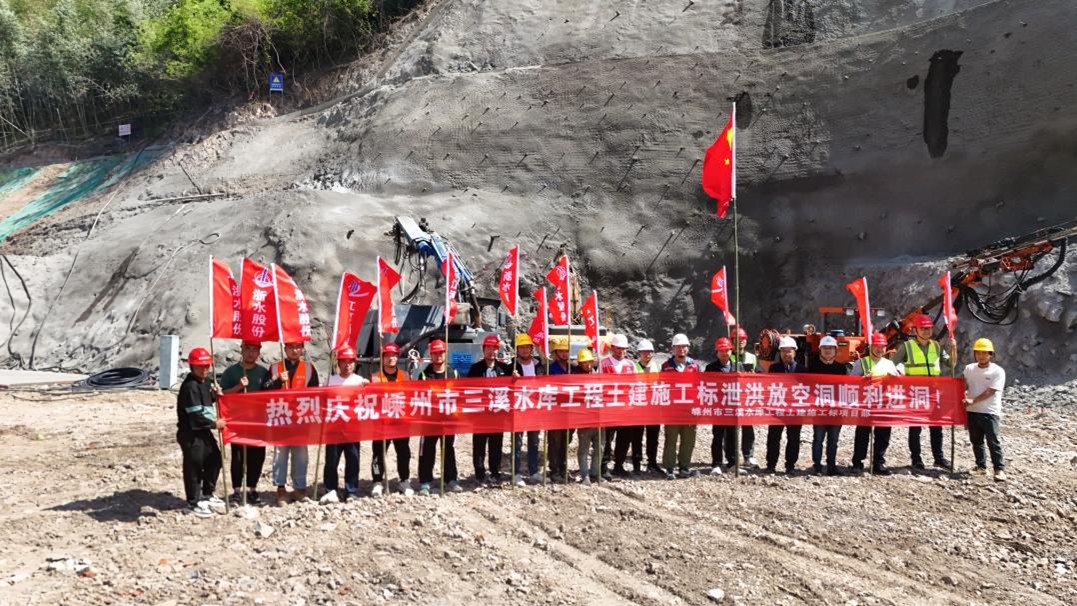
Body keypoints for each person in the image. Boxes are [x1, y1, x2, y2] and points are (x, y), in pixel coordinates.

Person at [892, 314, 955, 470]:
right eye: (923, 328)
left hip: (933, 392)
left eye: (929, 328)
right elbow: (891, 364)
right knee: (915, 427)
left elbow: (951, 364)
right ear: (915, 330)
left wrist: (953, 348)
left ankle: (938, 458)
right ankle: (916, 459)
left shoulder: (936, 346)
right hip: (915, 393)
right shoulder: (906, 347)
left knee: (936, 427)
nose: (927, 331)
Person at [176, 347, 226, 518]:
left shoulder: (205, 382)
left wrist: (214, 396)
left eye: (207, 366)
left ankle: (207, 494)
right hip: (191, 432)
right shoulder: (190, 386)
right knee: (194, 466)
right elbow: (195, 415)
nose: (204, 369)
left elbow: (204, 402)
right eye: (200, 366)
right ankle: (193, 502)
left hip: (203, 431)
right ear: (192, 366)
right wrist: (214, 424)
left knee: (215, 459)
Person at [219, 340, 271, 504]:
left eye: (254, 349)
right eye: (247, 349)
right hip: (237, 422)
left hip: (258, 423)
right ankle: (236, 490)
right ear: (241, 350)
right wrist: (238, 387)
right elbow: (221, 395)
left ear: (259, 352)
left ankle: (252, 489)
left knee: (257, 456)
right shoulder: (231, 372)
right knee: (238, 457)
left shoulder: (263, 373)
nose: (250, 353)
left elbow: (270, 394)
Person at [269, 341, 320, 505]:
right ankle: (281, 489)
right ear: (285, 349)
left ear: (303, 349)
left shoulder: (309, 368)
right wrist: (278, 381)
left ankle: (300, 489)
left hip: (300, 419)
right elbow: (265, 390)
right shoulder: (275, 368)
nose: (295, 350)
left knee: (301, 455)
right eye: (291, 347)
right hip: (281, 417)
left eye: (298, 347)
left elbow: (315, 393)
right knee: (280, 455)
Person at [320, 346, 368, 503]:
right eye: (344, 362)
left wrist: (368, 387)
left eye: (350, 362)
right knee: (331, 460)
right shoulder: (330, 381)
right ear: (338, 363)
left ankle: (351, 490)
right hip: (333, 427)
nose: (347, 365)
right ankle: (330, 489)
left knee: (353, 459)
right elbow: (320, 400)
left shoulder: (360, 381)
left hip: (353, 427)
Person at [418, 339, 463, 495]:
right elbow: (419, 396)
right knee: (427, 450)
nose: (438, 356)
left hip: (449, 419)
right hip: (430, 420)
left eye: (441, 352)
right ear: (431, 355)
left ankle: (451, 479)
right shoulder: (425, 374)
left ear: (445, 353)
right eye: (435, 353)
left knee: (448, 449)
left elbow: (460, 395)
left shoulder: (454, 373)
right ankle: (425, 481)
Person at [850, 332, 899, 475]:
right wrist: (863, 379)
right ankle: (858, 462)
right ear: (871, 347)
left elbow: (897, 385)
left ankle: (878, 462)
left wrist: (894, 378)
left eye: (882, 346)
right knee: (863, 434)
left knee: (883, 435)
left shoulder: (889, 364)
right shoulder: (861, 363)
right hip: (866, 403)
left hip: (884, 404)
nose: (880, 349)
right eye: (877, 346)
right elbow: (851, 383)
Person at [467, 335, 513, 486]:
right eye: (488, 348)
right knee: (479, 445)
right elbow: (468, 389)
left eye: (494, 348)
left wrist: (515, 378)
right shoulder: (475, 369)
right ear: (483, 350)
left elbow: (512, 388)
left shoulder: (504, 369)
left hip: (498, 414)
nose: (491, 351)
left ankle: (495, 472)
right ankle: (479, 474)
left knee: (496, 445)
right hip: (481, 415)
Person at [372, 342, 414, 496]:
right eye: (387, 355)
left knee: (403, 452)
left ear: (397, 357)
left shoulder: (406, 376)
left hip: (400, 422)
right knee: (378, 453)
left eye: (394, 355)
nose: (391, 358)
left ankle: (404, 480)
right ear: (383, 358)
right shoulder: (375, 377)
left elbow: (411, 398)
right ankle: (377, 481)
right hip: (381, 423)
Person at [963, 338, 1006, 482]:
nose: (981, 356)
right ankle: (981, 466)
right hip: (972, 411)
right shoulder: (969, 369)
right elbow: (964, 385)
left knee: (993, 440)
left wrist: (973, 401)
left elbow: (991, 391)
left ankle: (999, 469)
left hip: (989, 411)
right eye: (978, 353)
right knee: (976, 440)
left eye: (984, 353)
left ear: (990, 354)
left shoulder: (997, 371)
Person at [661, 333, 701, 480]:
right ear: (673, 348)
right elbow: (662, 386)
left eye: (684, 346)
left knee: (688, 440)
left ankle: (684, 467)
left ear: (688, 348)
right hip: (672, 410)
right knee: (671, 439)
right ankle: (669, 468)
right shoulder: (666, 366)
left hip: (690, 410)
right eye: (678, 346)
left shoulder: (695, 366)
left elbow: (700, 386)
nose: (681, 349)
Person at [766, 336, 806, 474]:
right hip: (777, 408)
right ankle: (771, 465)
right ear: (780, 352)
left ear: (795, 352)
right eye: (783, 351)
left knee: (794, 438)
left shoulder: (802, 370)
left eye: (789, 351)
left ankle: (790, 465)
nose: (786, 354)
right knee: (773, 437)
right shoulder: (773, 368)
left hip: (795, 410)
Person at [809, 335, 848, 476]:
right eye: (824, 348)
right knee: (818, 439)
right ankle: (817, 467)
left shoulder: (841, 368)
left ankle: (831, 466)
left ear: (835, 350)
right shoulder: (812, 368)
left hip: (835, 410)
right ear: (820, 350)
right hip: (819, 409)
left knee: (833, 440)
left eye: (831, 348)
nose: (827, 350)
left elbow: (845, 388)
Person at [602, 334, 640, 478]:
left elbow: (636, 385)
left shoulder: (630, 365)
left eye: (624, 349)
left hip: (625, 408)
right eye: (618, 348)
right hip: (608, 408)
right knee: (606, 439)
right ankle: (604, 466)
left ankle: (619, 465)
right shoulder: (604, 363)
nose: (621, 351)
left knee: (624, 438)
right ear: (612, 348)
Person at [511, 334, 545, 486]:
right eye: (522, 347)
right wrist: (512, 379)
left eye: (527, 347)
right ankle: (516, 473)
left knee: (534, 442)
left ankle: (534, 471)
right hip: (519, 408)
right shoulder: (512, 366)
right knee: (517, 443)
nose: (525, 350)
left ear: (532, 348)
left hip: (535, 409)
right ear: (517, 349)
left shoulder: (539, 365)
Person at [704, 337, 742, 474]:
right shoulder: (710, 368)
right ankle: (716, 464)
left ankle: (732, 463)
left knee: (733, 436)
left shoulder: (738, 366)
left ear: (731, 351)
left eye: (727, 350)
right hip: (718, 407)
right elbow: (705, 386)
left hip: (733, 407)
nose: (724, 353)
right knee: (718, 436)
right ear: (717, 352)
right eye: (721, 350)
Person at [546, 337, 574, 482]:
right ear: (556, 353)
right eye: (561, 351)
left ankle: (563, 468)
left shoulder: (573, 369)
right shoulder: (550, 369)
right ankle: (554, 470)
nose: (564, 354)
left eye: (566, 351)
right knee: (554, 441)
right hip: (555, 410)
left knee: (566, 439)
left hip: (570, 410)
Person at [634, 339, 663, 474]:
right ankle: (636, 463)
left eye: (650, 351)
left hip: (653, 407)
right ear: (639, 353)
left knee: (653, 437)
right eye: (644, 352)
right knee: (637, 437)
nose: (647, 354)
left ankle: (652, 462)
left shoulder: (658, 367)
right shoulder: (633, 368)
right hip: (638, 407)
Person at [573, 348, 602, 484]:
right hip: (584, 418)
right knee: (584, 448)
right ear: (580, 363)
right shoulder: (575, 378)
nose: (588, 365)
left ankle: (595, 472)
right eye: (585, 362)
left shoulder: (598, 375)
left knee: (600, 447)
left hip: (599, 417)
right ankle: (585, 474)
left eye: (590, 361)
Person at [731, 327, 758, 467]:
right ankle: (731, 457)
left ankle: (748, 456)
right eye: (737, 339)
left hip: (746, 397)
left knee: (748, 428)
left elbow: (759, 374)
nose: (740, 341)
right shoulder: (727, 355)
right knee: (730, 430)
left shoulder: (752, 357)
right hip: (730, 397)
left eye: (742, 339)